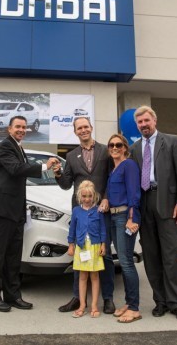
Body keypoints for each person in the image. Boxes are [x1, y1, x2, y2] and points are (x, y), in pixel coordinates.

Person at [0, 115, 59, 312]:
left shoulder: (18, 147)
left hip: (16, 211)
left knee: (13, 257)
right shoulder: (5, 147)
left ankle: (13, 296)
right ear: (9, 129)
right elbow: (16, 169)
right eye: (17, 126)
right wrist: (44, 166)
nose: (21, 130)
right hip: (1, 210)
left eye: (24, 127)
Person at [130, 105, 177, 322]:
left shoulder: (172, 141)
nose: (143, 125)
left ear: (154, 121)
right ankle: (160, 301)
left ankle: (176, 303)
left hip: (167, 202)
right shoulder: (134, 148)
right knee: (151, 256)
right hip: (144, 204)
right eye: (140, 122)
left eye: (146, 120)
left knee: (171, 255)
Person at [54, 117, 116, 314]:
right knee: (79, 255)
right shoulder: (71, 156)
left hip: (101, 210)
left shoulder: (105, 151)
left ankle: (107, 298)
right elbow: (66, 184)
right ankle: (77, 298)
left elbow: (112, 178)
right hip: (81, 213)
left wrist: (106, 198)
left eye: (86, 127)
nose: (83, 130)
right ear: (75, 132)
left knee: (104, 255)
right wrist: (57, 173)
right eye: (79, 128)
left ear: (91, 128)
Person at [105, 133, 142, 324]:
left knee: (126, 262)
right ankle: (129, 303)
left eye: (118, 145)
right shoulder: (114, 169)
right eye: (111, 145)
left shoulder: (129, 165)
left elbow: (134, 192)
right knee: (123, 259)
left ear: (125, 148)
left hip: (124, 217)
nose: (114, 147)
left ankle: (134, 308)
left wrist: (132, 218)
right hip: (113, 217)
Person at [67, 180, 107, 318]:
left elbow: (102, 229)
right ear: (80, 196)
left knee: (94, 276)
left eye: (90, 196)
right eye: (84, 196)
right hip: (81, 247)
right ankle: (82, 305)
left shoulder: (98, 211)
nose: (87, 199)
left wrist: (103, 244)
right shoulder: (76, 211)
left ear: (94, 196)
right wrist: (71, 244)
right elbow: (72, 229)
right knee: (82, 276)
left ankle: (94, 305)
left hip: (95, 246)